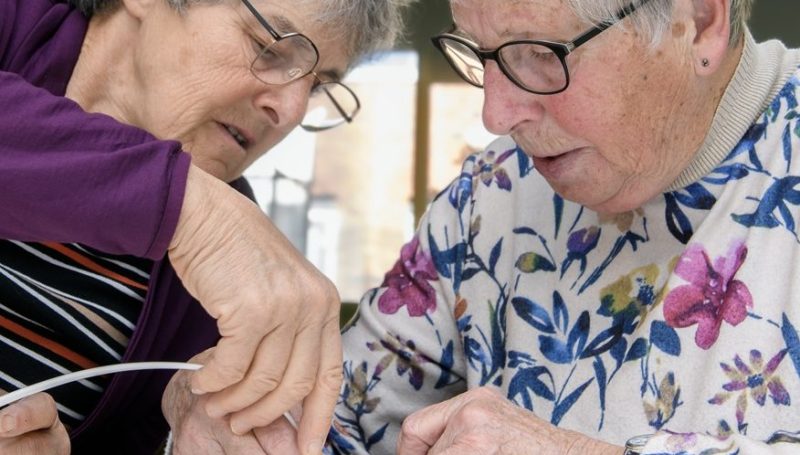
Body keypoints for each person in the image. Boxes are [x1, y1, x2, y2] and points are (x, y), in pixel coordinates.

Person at [188, 0, 800, 453]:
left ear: (699, 21)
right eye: (483, 58)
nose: (495, 114)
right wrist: (229, 415)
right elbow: (333, 417)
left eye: (540, 55)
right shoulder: (490, 196)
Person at [0, 0, 410, 453]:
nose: (291, 110)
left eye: (316, 89)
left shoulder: (225, 286)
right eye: (269, 46)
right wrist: (183, 206)